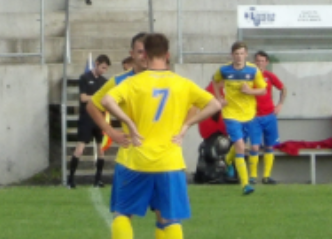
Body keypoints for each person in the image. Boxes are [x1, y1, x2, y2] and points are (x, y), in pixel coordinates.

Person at [100, 33, 222, 239]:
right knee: (169, 219)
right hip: (169, 161)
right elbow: (215, 104)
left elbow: (106, 100)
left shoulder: (133, 82)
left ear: (145, 55)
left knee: (123, 214)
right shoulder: (182, 83)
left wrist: (129, 122)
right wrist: (187, 125)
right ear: (167, 55)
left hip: (136, 160)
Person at [212, 42, 268, 194]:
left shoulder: (253, 70)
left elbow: (263, 90)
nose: (239, 57)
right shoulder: (224, 70)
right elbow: (215, 81)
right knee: (241, 146)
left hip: (249, 114)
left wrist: (250, 91)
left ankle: (228, 161)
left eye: (242, 53)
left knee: (249, 146)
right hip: (231, 114)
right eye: (236, 54)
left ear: (246, 55)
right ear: (232, 55)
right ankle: (245, 184)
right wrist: (219, 98)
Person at [67, 54, 111, 189]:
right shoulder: (84, 78)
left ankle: (98, 179)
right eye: (102, 67)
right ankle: (70, 179)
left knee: (101, 149)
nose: (104, 70)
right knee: (80, 149)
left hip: (100, 119)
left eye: (106, 68)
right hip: (86, 118)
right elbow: (83, 98)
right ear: (96, 64)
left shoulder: (104, 82)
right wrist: (97, 98)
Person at [251, 51, 286, 185]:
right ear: (254, 62)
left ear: (267, 62)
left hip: (269, 116)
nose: (260, 63)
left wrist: (280, 104)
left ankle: (266, 176)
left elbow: (283, 88)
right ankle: (253, 176)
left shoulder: (270, 76)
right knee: (254, 147)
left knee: (269, 146)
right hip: (254, 117)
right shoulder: (249, 76)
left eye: (262, 61)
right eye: (257, 60)